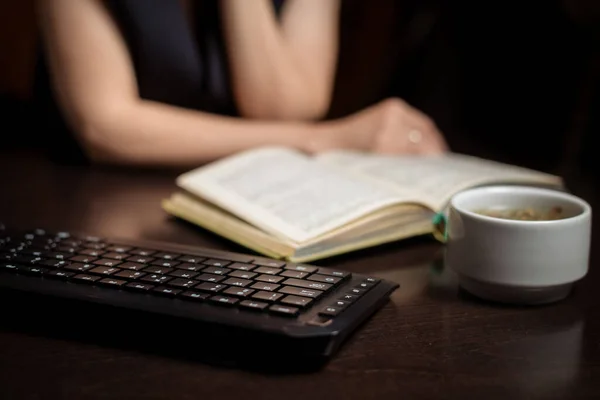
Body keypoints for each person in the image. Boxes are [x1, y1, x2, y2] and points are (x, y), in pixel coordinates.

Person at [35, 0, 448, 168]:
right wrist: (325, 138)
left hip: (243, 197)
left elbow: (284, 106)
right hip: (90, 203)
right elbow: (106, 127)